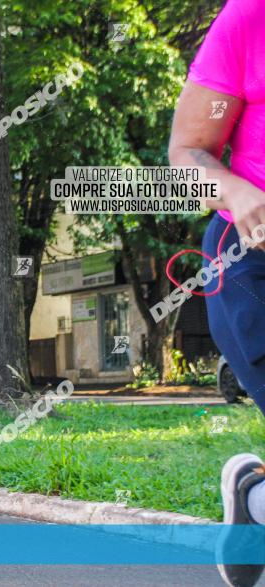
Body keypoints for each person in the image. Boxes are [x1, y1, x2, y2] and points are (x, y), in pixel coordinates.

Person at [168, 1, 265, 585]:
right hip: (250, 259)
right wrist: (232, 187)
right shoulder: (249, 20)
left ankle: (254, 502)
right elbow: (188, 152)